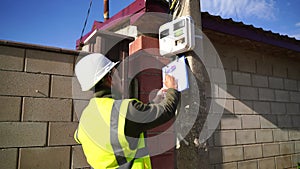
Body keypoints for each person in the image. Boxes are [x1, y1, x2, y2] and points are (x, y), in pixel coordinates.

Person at [74, 53, 180, 169]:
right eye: (117, 74)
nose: (120, 80)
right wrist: (172, 89)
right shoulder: (125, 110)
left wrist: (157, 99)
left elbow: (136, 121)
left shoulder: (86, 116)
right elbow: (167, 111)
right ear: (110, 78)